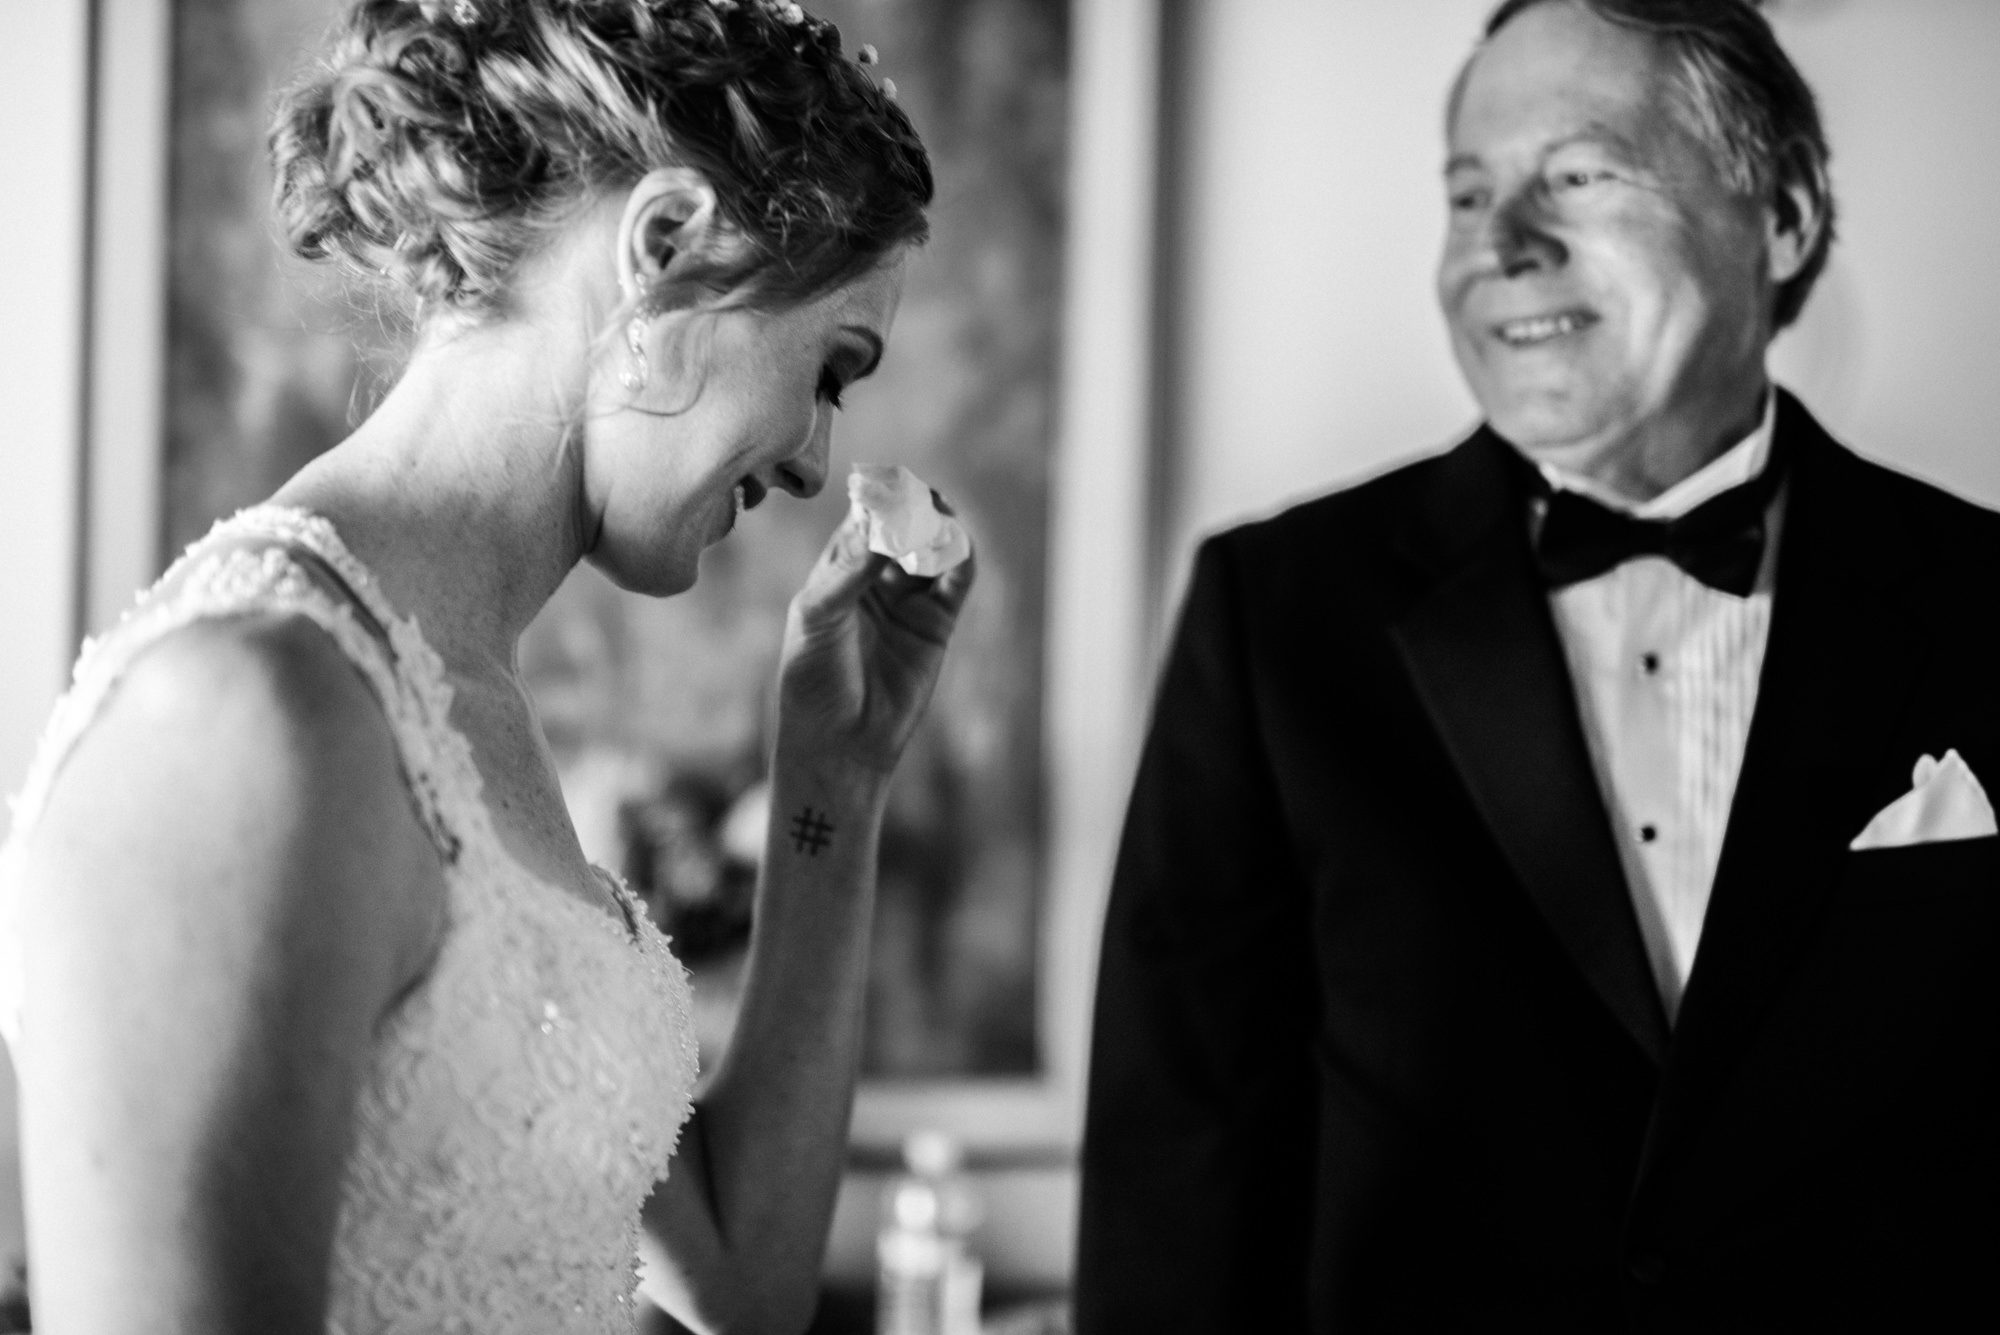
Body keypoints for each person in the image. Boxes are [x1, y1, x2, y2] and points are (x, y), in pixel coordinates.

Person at [0, 1, 972, 1331]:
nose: (812, 456)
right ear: (667, 247)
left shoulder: (462, 713)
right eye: (829, 369)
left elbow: (742, 1283)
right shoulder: (248, 715)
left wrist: (836, 785)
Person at [1077, 0, 2000, 1327]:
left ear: (1782, 216)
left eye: (1576, 174)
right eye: (1466, 196)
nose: (1499, 248)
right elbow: (1182, 1177)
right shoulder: (1276, 612)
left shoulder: (1988, 606)